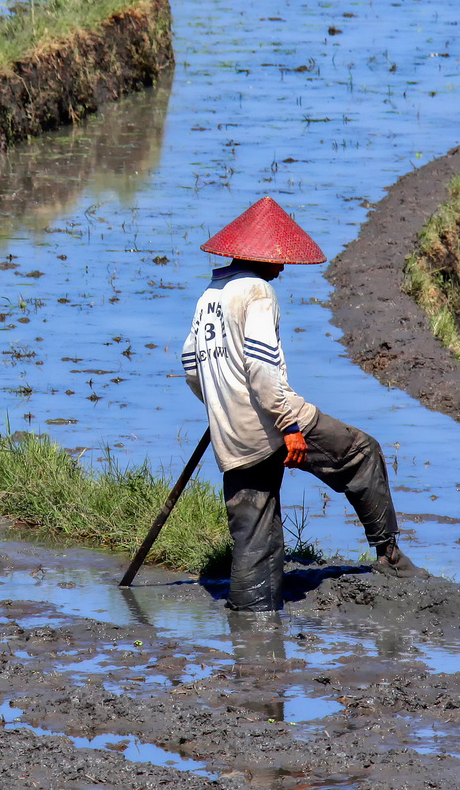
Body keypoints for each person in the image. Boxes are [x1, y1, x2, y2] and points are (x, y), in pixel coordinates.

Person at [180, 195, 420, 612]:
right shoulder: (257, 292)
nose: (284, 266)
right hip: (275, 419)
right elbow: (260, 368)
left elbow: (191, 365)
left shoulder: (211, 295)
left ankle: (252, 626)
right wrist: (289, 426)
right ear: (261, 255)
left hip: (232, 435)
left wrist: (222, 402)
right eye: (279, 256)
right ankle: (391, 558)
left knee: (255, 536)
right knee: (361, 454)